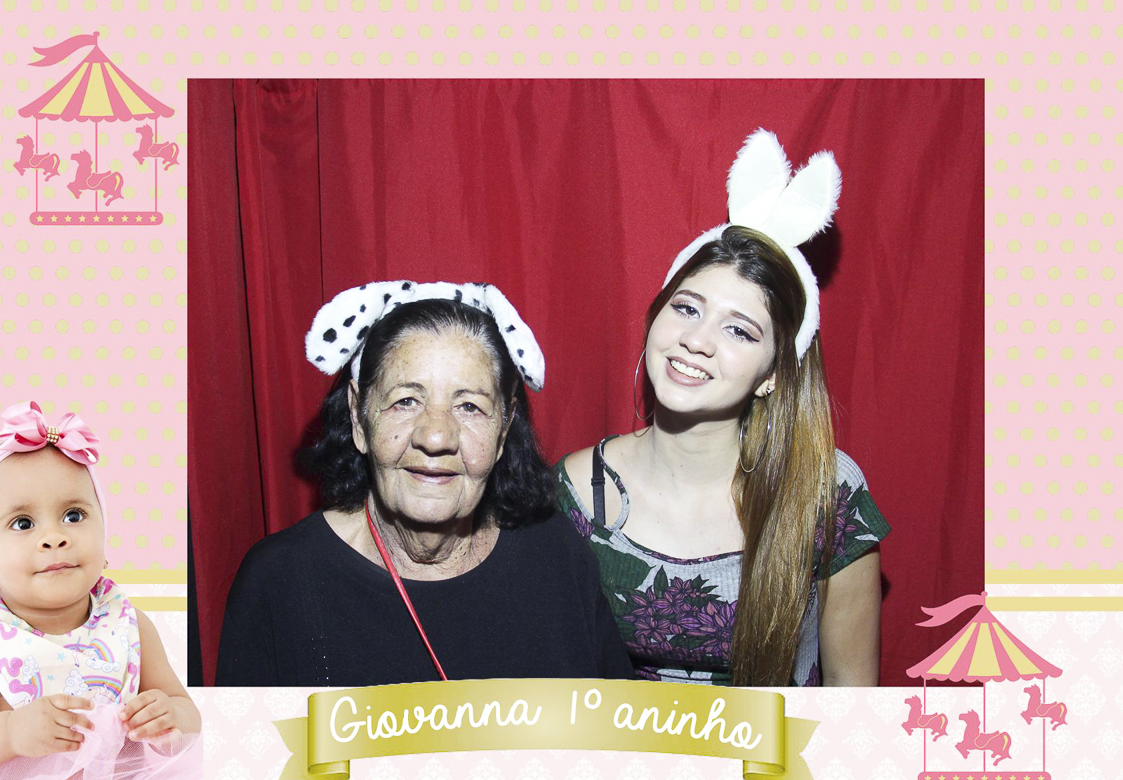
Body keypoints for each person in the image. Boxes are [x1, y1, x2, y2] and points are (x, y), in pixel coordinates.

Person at [556, 130, 891, 687]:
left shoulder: (825, 492)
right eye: (687, 308)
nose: (697, 340)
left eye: (739, 330)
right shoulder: (576, 493)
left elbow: (853, 698)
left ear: (773, 374)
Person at [216, 281, 633, 687]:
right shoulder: (280, 581)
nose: (435, 437)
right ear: (359, 417)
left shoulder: (556, 555)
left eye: (469, 406)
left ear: (503, 430)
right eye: (406, 401)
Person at [0, 401, 201, 780]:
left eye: (74, 515)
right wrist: (9, 732)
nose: (54, 537)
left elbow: (186, 712)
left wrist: (170, 718)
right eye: (23, 523)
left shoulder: (128, 624)